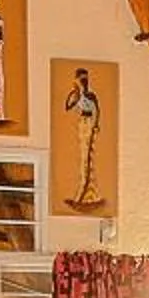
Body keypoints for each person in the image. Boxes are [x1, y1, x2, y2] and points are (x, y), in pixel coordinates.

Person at [61, 65, 105, 210]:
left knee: (88, 156)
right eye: (81, 79)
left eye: (85, 79)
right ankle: (84, 192)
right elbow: (67, 107)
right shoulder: (78, 96)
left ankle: (87, 193)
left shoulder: (91, 95)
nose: (84, 81)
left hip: (90, 123)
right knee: (83, 156)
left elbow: (97, 110)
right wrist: (73, 93)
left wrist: (96, 124)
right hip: (82, 123)